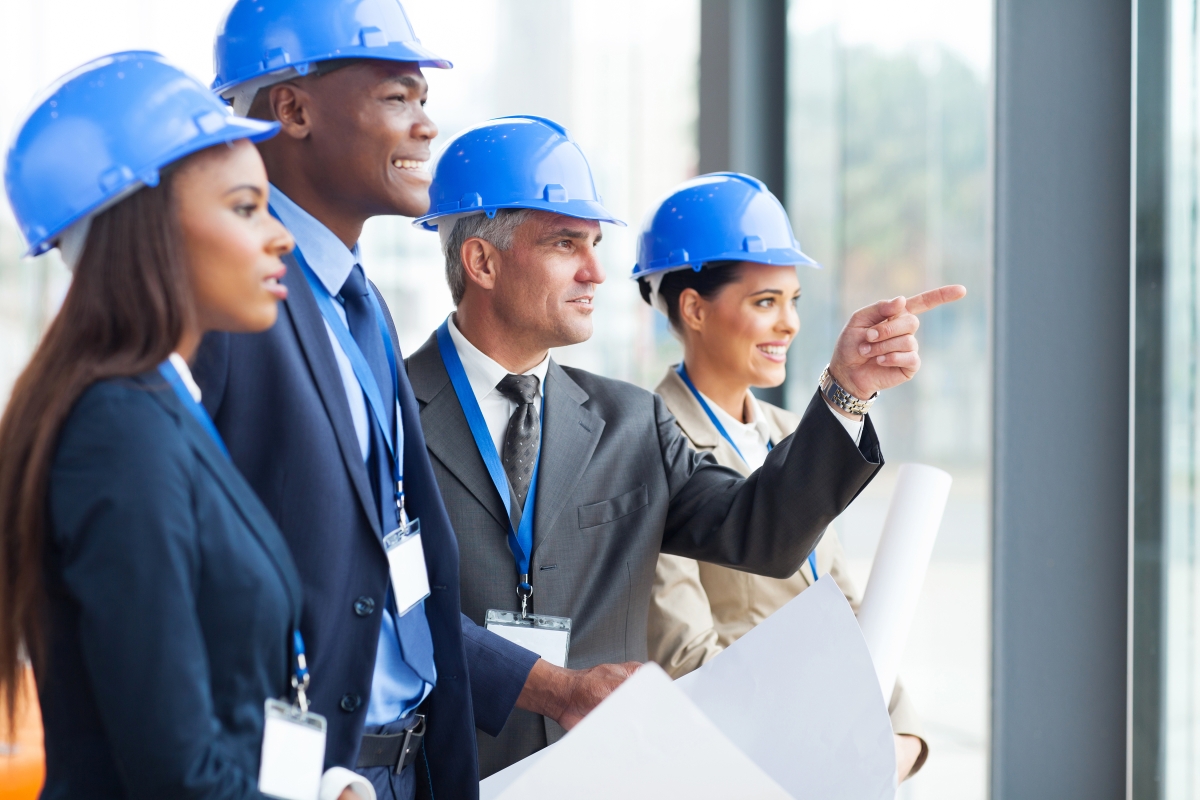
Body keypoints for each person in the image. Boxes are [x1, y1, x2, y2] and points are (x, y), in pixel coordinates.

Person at [405, 114, 966, 775]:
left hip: (599, 780)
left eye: (595, 243)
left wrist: (846, 391)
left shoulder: (631, 421)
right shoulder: (386, 409)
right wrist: (554, 688)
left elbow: (762, 534)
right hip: (442, 776)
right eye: (565, 243)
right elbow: (391, 610)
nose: (595, 271)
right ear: (482, 261)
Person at [194, 3, 553, 797]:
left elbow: (389, 568)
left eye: (423, 100)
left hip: (403, 767)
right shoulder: (226, 303)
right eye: (399, 97)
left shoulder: (363, 305)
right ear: (293, 110)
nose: (428, 128)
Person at [0, 52, 370, 799]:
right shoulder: (118, 431)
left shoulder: (165, 407)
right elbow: (172, 774)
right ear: (146, 229)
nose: (281, 238)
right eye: (243, 208)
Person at [638, 172, 934, 780]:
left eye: (793, 300)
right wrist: (820, 751)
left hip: (837, 762)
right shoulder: (645, 442)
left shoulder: (790, 433)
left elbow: (847, 601)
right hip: (748, 769)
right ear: (694, 308)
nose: (790, 324)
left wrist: (902, 740)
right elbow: (687, 658)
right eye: (765, 301)